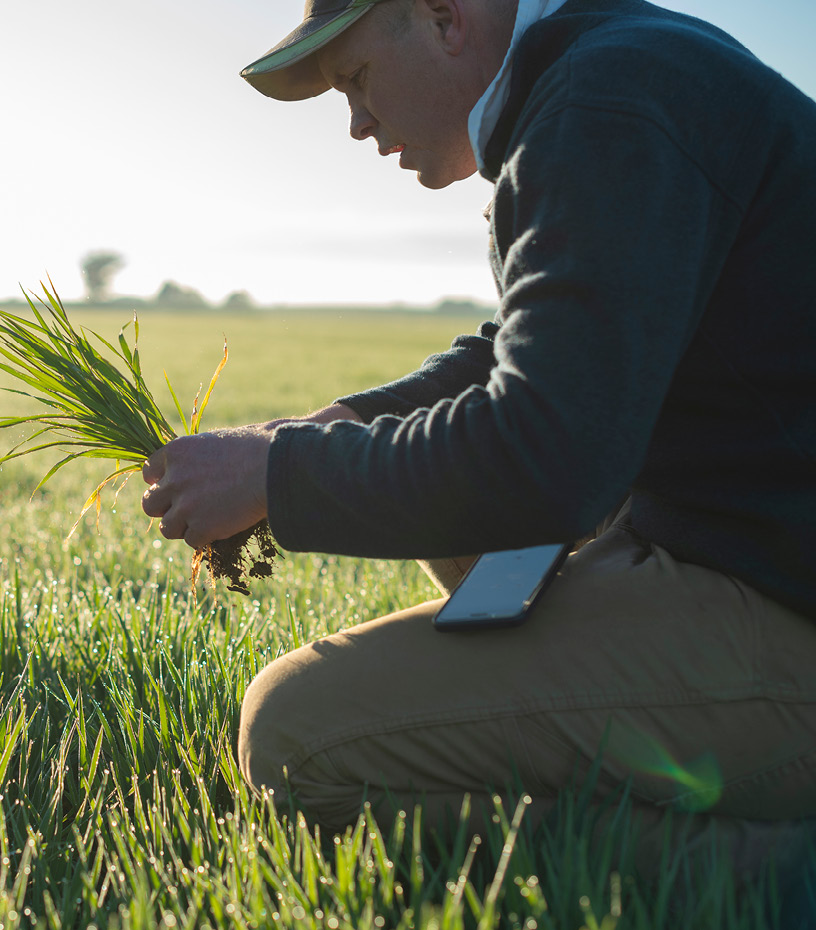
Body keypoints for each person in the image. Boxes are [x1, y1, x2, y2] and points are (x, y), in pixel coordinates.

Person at [138, 0, 816, 875]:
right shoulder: (616, 69)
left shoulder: (603, 103)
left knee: (296, 733)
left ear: (443, 16)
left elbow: (547, 454)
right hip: (754, 545)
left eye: (356, 79)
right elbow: (537, 352)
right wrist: (336, 426)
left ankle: (777, 875)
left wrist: (281, 474)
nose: (354, 122)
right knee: (484, 543)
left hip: (779, 593)